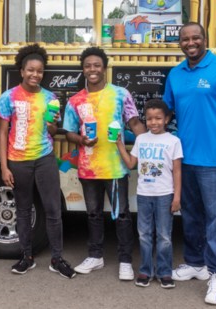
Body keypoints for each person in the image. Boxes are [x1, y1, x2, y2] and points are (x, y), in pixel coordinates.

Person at [163, 22, 216, 305]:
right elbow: (165, 113)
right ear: (180, 43)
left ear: (205, 39)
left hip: (215, 161)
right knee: (191, 216)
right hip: (184, 159)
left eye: (195, 38)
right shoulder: (175, 74)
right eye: (185, 39)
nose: (190, 43)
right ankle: (196, 263)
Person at [63, 46, 145, 280]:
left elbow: (135, 122)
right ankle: (95, 256)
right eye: (88, 65)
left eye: (97, 65)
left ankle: (125, 260)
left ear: (105, 68)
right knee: (93, 214)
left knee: (121, 215)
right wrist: (81, 140)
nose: (92, 69)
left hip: (116, 167)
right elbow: (68, 132)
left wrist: (150, 143)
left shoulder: (120, 94)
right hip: (88, 169)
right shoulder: (75, 100)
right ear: (83, 69)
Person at [0, 43, 76, 279]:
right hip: (18, 161)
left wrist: (52, 122)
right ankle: (26, 257)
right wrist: (3, 167)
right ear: (22, 71)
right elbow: (1, 132)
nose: (35, 74)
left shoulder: (50, 98)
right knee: (22, 210)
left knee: (53, 210)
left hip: (44, 159)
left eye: (39, 71)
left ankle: (57, 258)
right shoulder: (8, 97)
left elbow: (52, 131)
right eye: (30, 70)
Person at [116, 99, 183, 289]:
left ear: (167, 119)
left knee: (164, 236)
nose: (153, 122)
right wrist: (119, 144)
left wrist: (177, 197)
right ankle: (145, 270)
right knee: (144, 234)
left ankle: (164, 272)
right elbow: (131, 164)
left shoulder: (173, 141)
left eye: (158, 118)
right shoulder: (141, 139)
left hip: (165, 195)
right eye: (149, 118)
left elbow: (177, 171)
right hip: (144, 194)